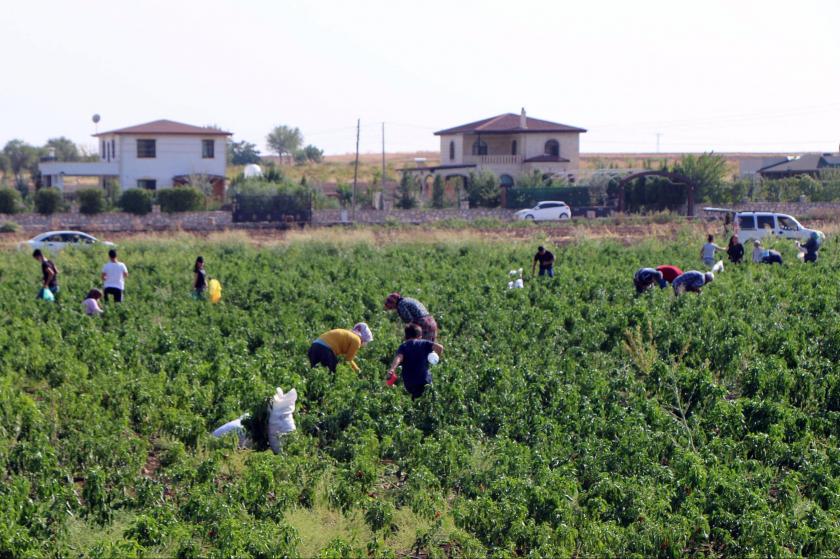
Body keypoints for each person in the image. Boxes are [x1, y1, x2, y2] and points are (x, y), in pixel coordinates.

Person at [386, 323, 444, 399]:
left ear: (405, 336)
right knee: (427, 399)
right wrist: (435, 358)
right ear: (420, 336)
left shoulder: (404, 346)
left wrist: (392, 369)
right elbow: (440, 348)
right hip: (424, 379)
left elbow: (399, 358)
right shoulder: (424, 343)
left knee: (415, 399)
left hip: (410, 382)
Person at [308, 323, 373, 373]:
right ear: (364, 338)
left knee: (315, 372)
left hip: (314, 346)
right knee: (332, 373)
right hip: (325, 349)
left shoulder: (348, 334)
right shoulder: (357, 340)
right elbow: (348, 360)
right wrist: (358, 371)